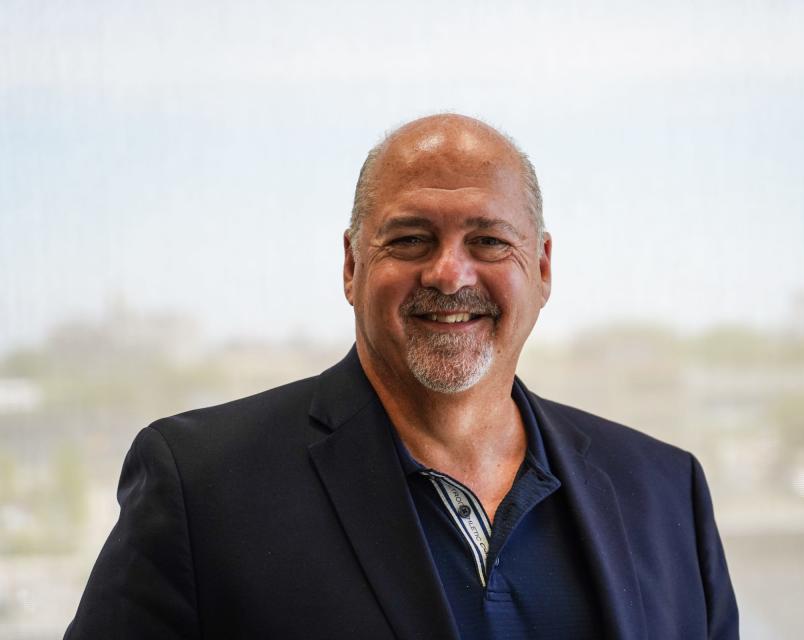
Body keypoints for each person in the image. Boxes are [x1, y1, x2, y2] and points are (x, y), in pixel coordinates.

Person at [65, 114, 738, 639]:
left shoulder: (664, 490)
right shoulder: (200, 488)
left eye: (488, 241)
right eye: (411, 239)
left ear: (541, 268)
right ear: (352, 267)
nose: (450, 273)